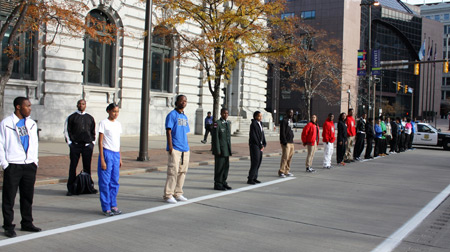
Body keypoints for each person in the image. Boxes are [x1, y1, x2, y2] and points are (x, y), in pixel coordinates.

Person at [1, 97, 41, 238]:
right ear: (18, 107)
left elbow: (35, 143)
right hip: (13, 165)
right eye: (27, 106)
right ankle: (8, 226)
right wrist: (5, 164)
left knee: (27, 197)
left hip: (29, 165)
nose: (30, 108)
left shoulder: (31, 124)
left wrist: (34, 161)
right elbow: (1, 144)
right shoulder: (6, 123)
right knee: (9, 198)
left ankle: (27, 223)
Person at [64, 99, 97, 196]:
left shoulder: (90, 118)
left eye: (83, 104)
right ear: (77, 105)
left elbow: (93, 130)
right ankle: (71, 188)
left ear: (85, 105)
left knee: (87, 167)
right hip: (75, 145)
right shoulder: (71, 117)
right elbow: (67, 130)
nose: (81, 105)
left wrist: (92, 143)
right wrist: (70, 143)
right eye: (80, 104)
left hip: (87, 145)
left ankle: (88, 186)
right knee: (73, 166)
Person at [163, 95, 190, 203]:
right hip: (175, 148)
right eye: (182, 100)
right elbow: (168, 131)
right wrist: (170, 147)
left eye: (185, 101)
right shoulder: (172, 115)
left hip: (185, 148)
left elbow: (185, 132)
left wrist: (187, 147)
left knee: (182, 172)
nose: (184, 103)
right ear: (177, 102)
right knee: (173, 172)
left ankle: (178, 193)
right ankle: (168, 194)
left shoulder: (184, 117)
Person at [98, 103, 122, 216]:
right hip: (107, 153)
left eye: (117, 111)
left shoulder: (118, 124)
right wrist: (102, 159)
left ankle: (113, 204)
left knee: (114, 181)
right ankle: (106, 207)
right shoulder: (103, 123)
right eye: (113, 111)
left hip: (116, 154)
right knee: (105, 181)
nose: (115, 114)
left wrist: (120, 157)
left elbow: (118, 141)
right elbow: (100, 141)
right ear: (108, 111)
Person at [212, 108, 232, 190]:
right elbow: (215, 138)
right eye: (224, 113)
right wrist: (217, 150)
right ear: (221, 113)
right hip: (220, 150)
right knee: (219, 168)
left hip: (226, 149)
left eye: (227, 113)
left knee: (226, 167)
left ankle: (223, 181)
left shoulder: (228, 123)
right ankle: (218, 183)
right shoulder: (217, 123)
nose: (225, 115)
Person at [247, 111, 266, 185]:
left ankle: (255, 177)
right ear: (255, 117)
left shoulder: (260, 124)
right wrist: (259, 144)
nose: (260, 117)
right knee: (255, 162)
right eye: (259, 116)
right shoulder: (253, 124)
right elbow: (254, 136)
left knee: (259, 161)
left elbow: (262, 134)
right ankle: (250, 178)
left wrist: (264, 143)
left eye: (261, 116)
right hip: (255, 145)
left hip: (260, 145)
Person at [278, 109, 295, 178]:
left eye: (292, 113)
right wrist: (284, 141)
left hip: (291, 142)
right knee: (285, 157)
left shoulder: (291, 120)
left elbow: (291, 130)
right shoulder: (284, 121)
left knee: (290, 157)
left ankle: (287, 170)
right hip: (286, 142)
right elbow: (282, 132)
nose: (291, 114)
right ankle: (281, 171)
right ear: (287, 113)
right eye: (290, 112)